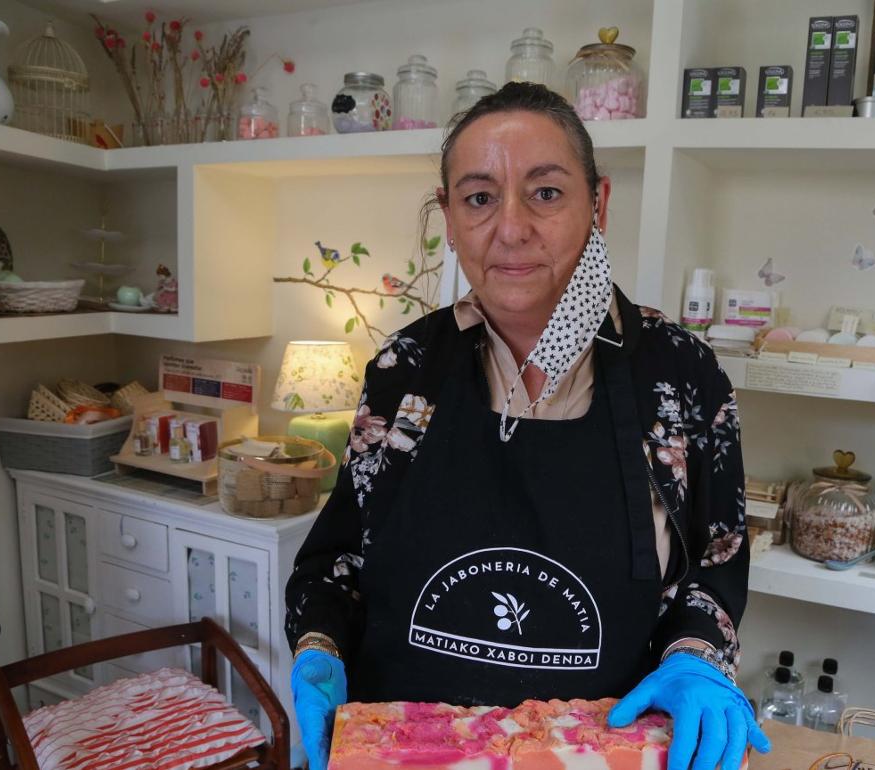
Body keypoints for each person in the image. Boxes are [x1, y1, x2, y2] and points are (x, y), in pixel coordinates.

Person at [284, 82, 769, 770]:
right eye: (479, 198)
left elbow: (716, 566)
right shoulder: (406, 369)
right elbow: (334, 563)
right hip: (407, 751)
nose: (511, 229)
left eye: (545, 193)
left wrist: (695, 657)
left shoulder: (681, 375)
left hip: (596, 756)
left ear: (597, 204)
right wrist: (319, 648)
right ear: (449, 217)